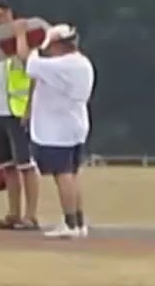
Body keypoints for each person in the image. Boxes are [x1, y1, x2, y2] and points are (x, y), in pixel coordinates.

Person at [11, 20, 95, 238]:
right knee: (72, 174)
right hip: (74, 124)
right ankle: (77, 222)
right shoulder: (81, 62)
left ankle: (70, 223)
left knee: (63, 175)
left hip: (58, 128)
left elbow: (26, 60)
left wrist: (21, 34)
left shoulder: (61, 65)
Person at [0, 0, 40, 230]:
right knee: (7, 165)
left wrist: (30, 108)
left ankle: (31, 215)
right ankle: (14, 213)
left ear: (8, 14)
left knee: (25, 164)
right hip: (0, 111)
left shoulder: (25, 39)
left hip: (19, 111)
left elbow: (32, 68)